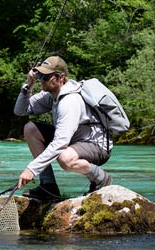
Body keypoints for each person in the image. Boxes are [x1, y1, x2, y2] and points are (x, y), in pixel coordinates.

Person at [14, 55, 113, 200]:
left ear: (60, 78)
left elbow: (60, 143)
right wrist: (28, 84)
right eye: (40, 75)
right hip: (74, 142)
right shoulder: (50, 95)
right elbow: (20, 110)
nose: (41, 79)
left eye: (46, 77)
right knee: (30, 129)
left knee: (65, 158)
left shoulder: (69, 101)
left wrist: (31, 169)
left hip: (97, 146)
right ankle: (48, 187)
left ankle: (101, 178)